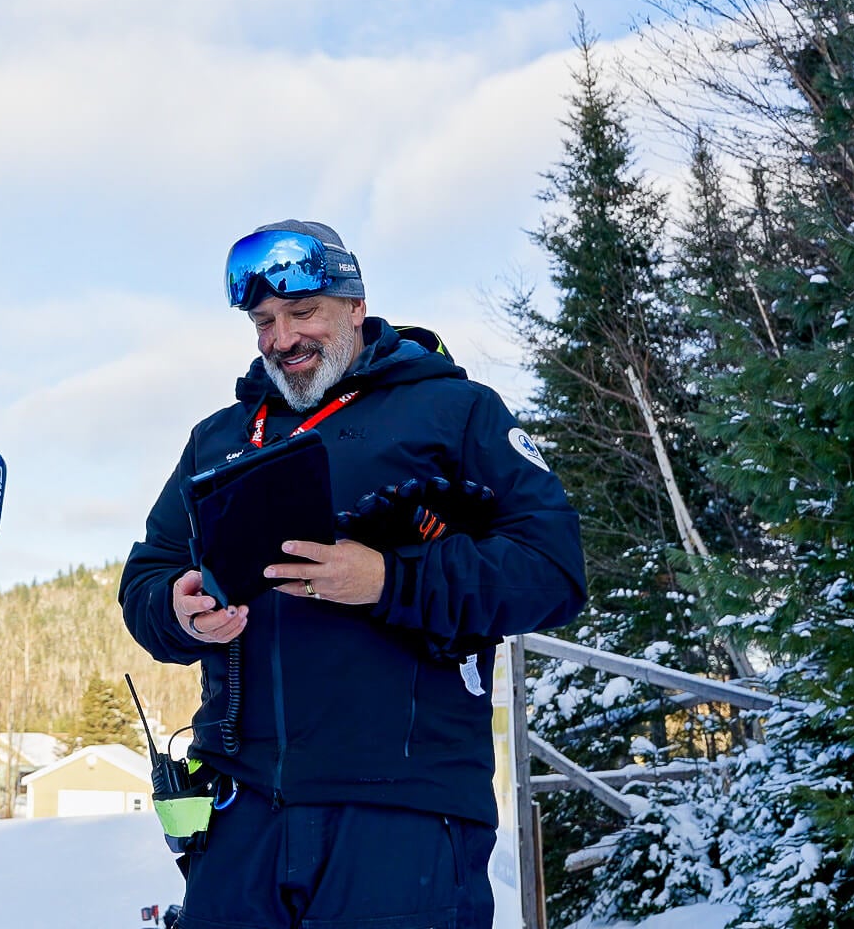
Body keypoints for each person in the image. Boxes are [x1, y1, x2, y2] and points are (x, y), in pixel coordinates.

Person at [118, 221, 587, 929]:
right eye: (264, 321)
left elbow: (553, 570)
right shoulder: (218, 437)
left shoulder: (455, 412)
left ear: (355, 306)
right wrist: (177, 611)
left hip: (402, 813)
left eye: (302, 313)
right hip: (239, 817)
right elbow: (149, 574)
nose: (281, 339)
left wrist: (390, 579)